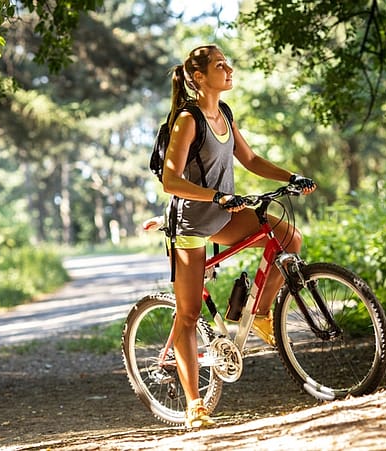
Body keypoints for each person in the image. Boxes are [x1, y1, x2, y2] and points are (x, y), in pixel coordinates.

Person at [160, 45, 316, 429]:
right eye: (220, 65)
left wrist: (290, 177)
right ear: (199, 78)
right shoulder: (188, 119)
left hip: (224, 212)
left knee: (288, 238)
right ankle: (195, 406)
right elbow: (170, 180)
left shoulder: (224, 113)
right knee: (189, 313)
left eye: (228, 63)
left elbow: (250, 159)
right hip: (193, 223)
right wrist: (215, 195)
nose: (229, 69)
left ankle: (260, 312)